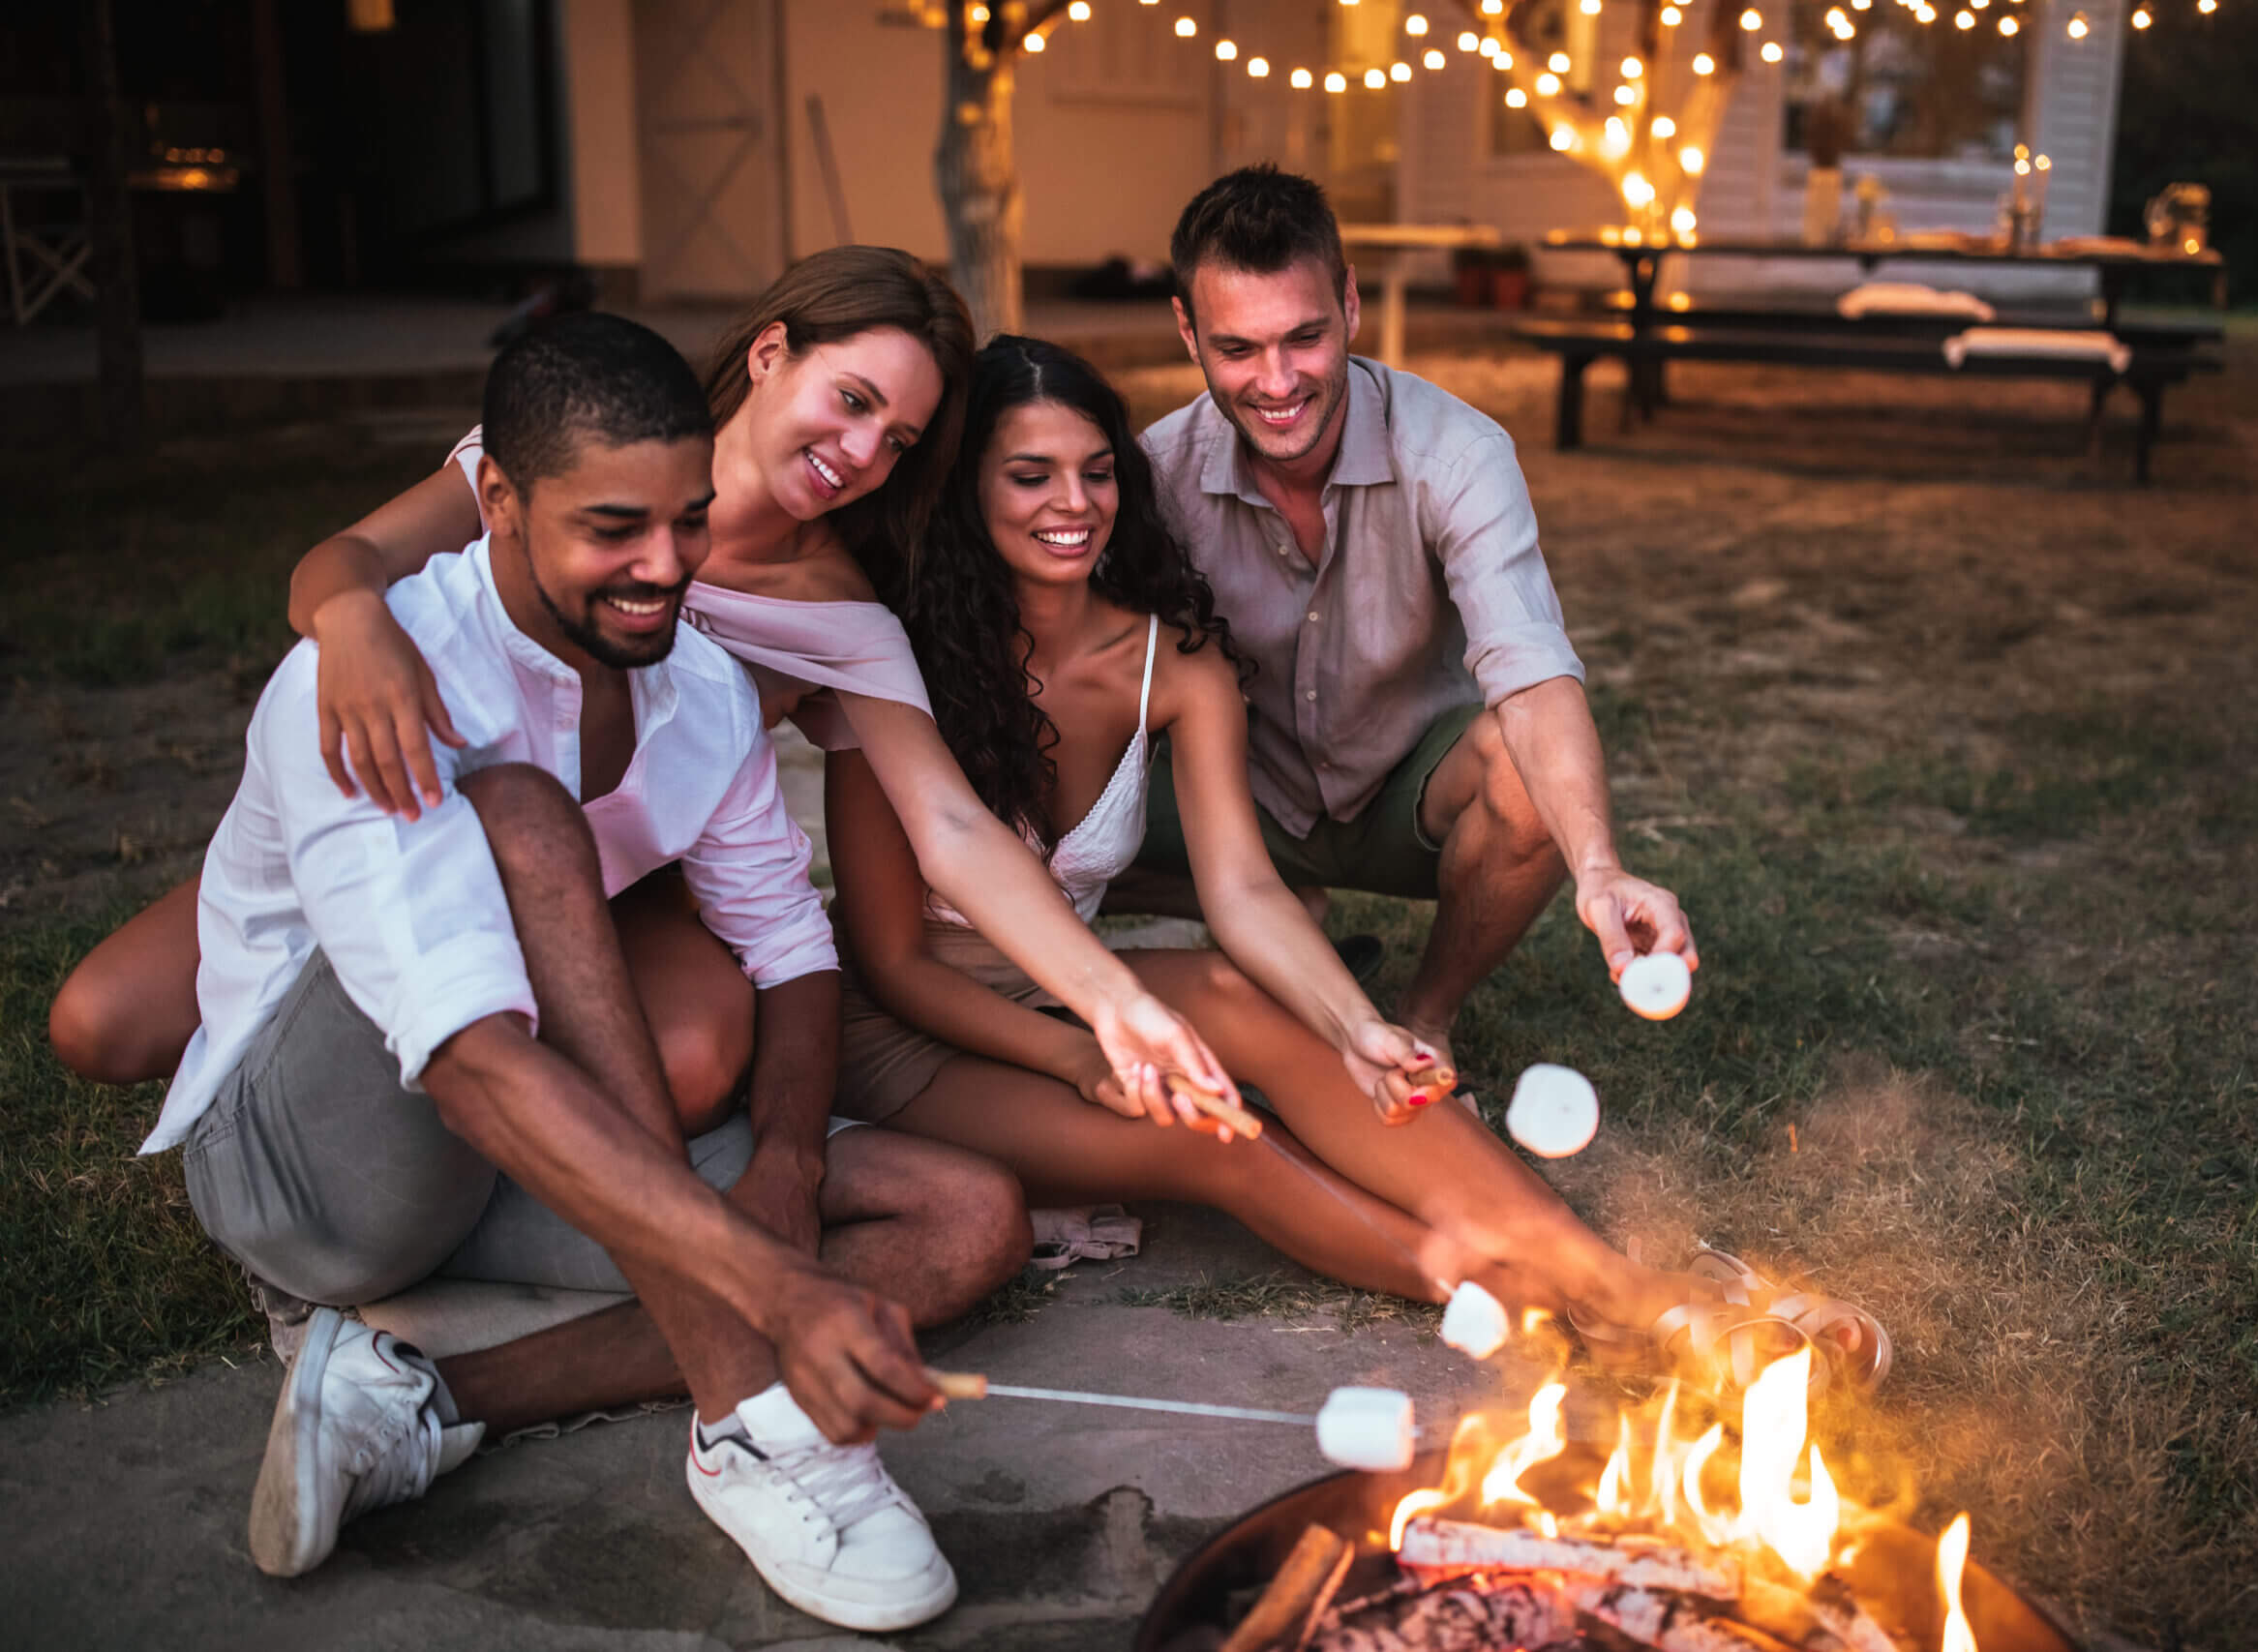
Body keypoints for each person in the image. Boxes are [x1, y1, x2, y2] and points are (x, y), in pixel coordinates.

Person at [145, 314, 1025, 1631]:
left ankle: (419, 1395)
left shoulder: (702, 688)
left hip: (526, 1149)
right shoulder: (369, 676)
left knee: (967, 1221)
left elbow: (792, 946)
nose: (665, 566)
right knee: (527, 818)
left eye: (688, 519)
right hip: (314, 1168)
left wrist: (786, 1163)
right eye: (615, 526)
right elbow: (474, 1064)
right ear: (496, 498)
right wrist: (773, 1288)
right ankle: (746, 1422)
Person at [822, 334, 1864, 1356]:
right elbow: (893, 963)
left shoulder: (1167, 659)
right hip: (911, 1042)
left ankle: (1625, 1288)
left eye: (1097, 472)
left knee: (1263, 1005)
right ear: (968, 491)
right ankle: (1563, 1302)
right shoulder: (895, 657)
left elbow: (1243, 891)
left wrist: (1352, 1023)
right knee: (1217, 1136)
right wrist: (1078, 1054)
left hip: (1079, 990)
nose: (1074, 503)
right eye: (1029, 475)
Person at [51, 245, 1238, 1134]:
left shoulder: (842, 608)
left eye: (900, 441)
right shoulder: (592, 449)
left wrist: (1106, 1000)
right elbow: (341, 560)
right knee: (97, 1024)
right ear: (773, 351)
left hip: (618, 877)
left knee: (692, 1064)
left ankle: (472, 1119)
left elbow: (950, 827)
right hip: (407, 799)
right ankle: (371, 1008)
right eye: (853, 401)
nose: (863, 453)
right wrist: (353, 621)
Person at [1118, 165, 1699, 1078]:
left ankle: (1429, 1015)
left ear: (1348, 302)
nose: (1277, 382)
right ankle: (1270, 908)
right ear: (1187, 329)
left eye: (1305, 337)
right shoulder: (1155, 473)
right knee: (1033, 795)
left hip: (1404, 795)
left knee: (1524, 770)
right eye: (1237, 348)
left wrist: (1598, 865)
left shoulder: (1459, 453)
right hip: (1234, 801)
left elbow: (1535, 675)